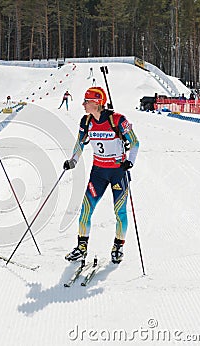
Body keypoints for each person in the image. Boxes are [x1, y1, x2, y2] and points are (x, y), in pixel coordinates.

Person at [63, 87, 139, 264]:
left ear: (97, 103)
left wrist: (131, 162)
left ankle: (118, 246)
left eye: (86, 101)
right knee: (85, 210)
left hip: (118, 172)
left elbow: (135, 142)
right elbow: (79, 144)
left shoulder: (118, 120)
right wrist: (72, 161)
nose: (83, 104)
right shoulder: (86, 121)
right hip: (98, 172)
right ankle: (81, 247)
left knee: (119, 211)